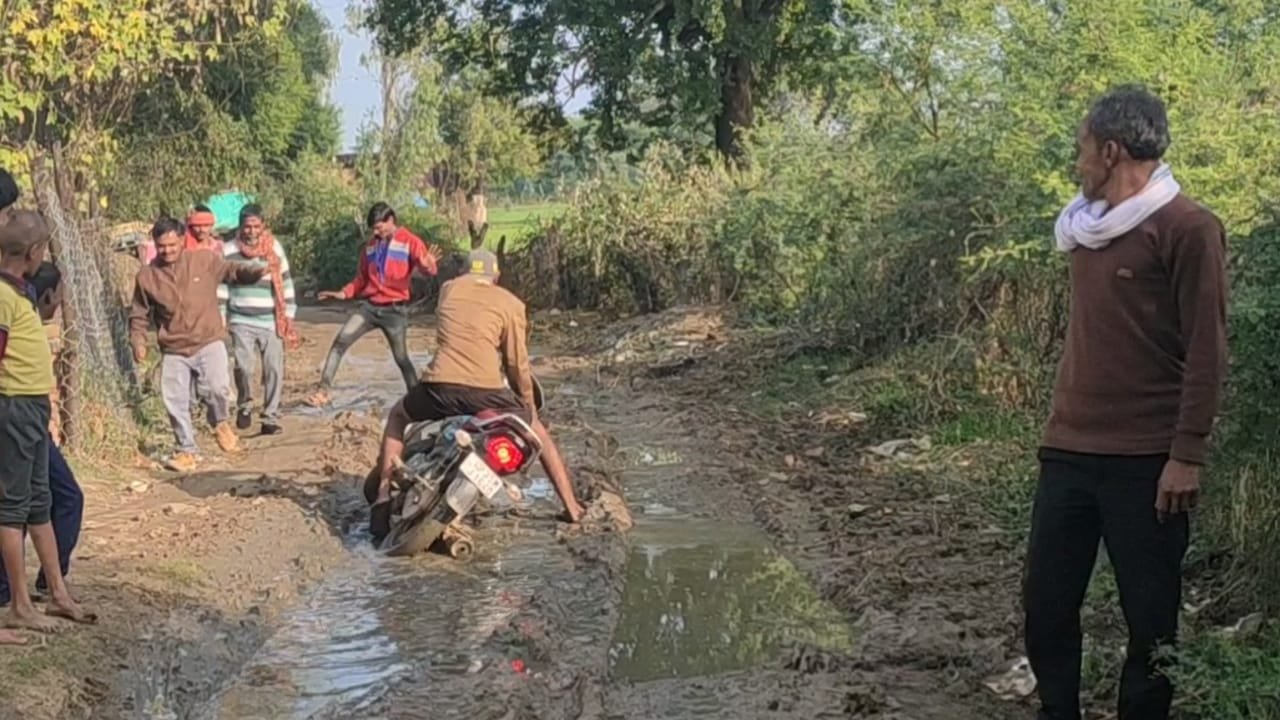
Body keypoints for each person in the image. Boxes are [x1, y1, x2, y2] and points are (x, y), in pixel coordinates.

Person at [1025, 85, 1228, 720]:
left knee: (1150, 618)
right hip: (1068, 449)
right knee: (1046, 604)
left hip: (1147, 462)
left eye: (1083, 149)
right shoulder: (1082, 231)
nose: (1077, 163)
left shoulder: (1189, 229)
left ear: (1111, 151)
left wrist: (1186, 454)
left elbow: (1208, 349)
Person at [369, 249, 585, 529]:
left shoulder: (448, 289)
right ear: (496, 276)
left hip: (439, 387)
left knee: (398, 416)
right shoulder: (512, 304)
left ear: (464, 273)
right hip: (486, 391)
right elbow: (515, 364)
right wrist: (529, 409)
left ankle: (383, 494)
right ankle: (572, 507)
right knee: (540, 436)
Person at [0, 210, 94, 642]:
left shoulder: (18, 293)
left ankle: (58, 592)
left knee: (40, 501)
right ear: (35, 252)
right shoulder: (4, 295)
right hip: (13, 409)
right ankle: (19, 604)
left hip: (32, 408)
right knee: (12, 507)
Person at [130, 217, 267, 472]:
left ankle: (220, 423)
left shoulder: (203, 261)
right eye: (162, 246)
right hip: (174, 347)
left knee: (217, 389)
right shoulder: (147, 277)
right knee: (175, 400)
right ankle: (186, 450)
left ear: (182, 240)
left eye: (172, 245)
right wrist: (138, 341)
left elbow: (232, 271)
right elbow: (138, 314)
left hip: (208, 339)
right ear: (155, 245)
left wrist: (254, 271)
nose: (167, 251)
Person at [308, 202, 441, 406]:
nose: (376, 232)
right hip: (369, 307)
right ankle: (323, 391)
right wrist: (344, 293)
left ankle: (417, 401)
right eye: (374, 228)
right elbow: (361, 279)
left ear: (390, 221)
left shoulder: (410, 242)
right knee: (340, 343)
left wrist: (428, 264)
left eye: (379, 227)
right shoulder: (371, 246)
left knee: (401, 358)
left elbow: (428, 269)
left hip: (395, 310)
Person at [219, 205, 297, 436]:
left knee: (274, 368)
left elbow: (285, 280)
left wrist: (289, 313)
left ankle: (270, 417)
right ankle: (245, 404)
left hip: (271, 319)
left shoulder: (274, 248)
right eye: (247, 227)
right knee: (244, 367)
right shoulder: (228, 250)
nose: (251, 231)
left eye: (256, 226)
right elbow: (222, 283)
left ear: (263, 226)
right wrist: (222, 313)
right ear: (240, 227)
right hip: (241, 319)